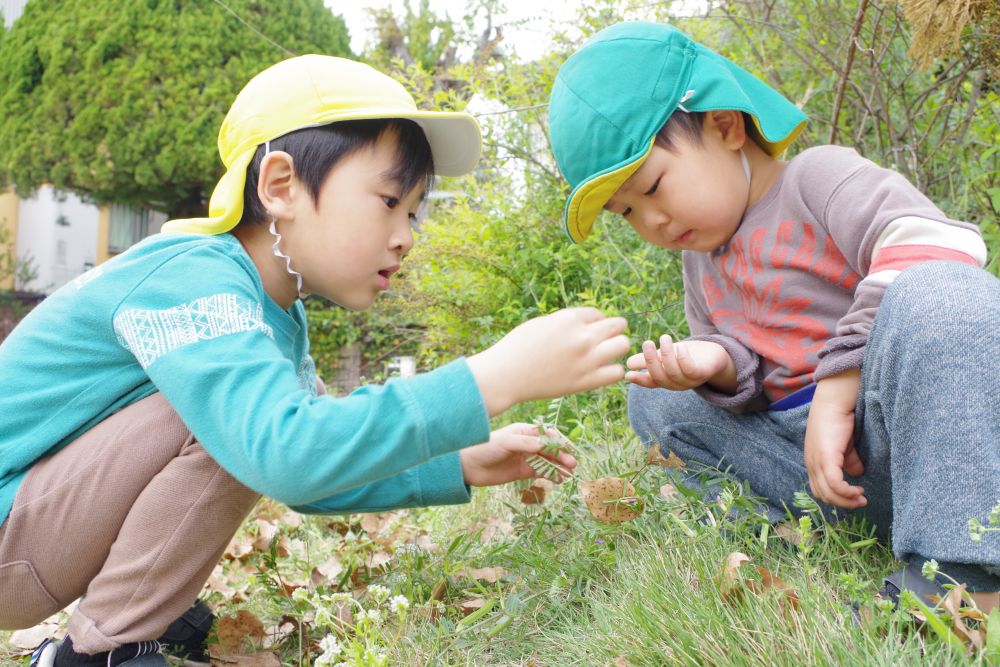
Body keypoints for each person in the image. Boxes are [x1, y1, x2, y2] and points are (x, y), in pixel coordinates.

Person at [0, 55, 631, 666]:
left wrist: (457, 462)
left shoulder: (273, 309)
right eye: (389, 202)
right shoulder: (191, 279)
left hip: (32, 537)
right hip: (12, 535)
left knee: (252, 426)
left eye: (413, 212)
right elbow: (287, 453)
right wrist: (494, 377)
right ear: (280, 187)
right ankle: (97, 653)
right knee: (241, 427)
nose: (407, 235)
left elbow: (312, 467)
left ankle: (142, 612)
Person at [547, 21, 999, 609]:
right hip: (820, 473)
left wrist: (838, 384)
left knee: (940, 291)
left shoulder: (817, 179)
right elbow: (756, 379)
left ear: (726, 126)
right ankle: (789, 538)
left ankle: (966, 572)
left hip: (915, 437)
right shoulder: (700, 262)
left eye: (652, 186)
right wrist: (714, 364)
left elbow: (936, 240)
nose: (650, 222)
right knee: (653, 400)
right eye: (626, 212)